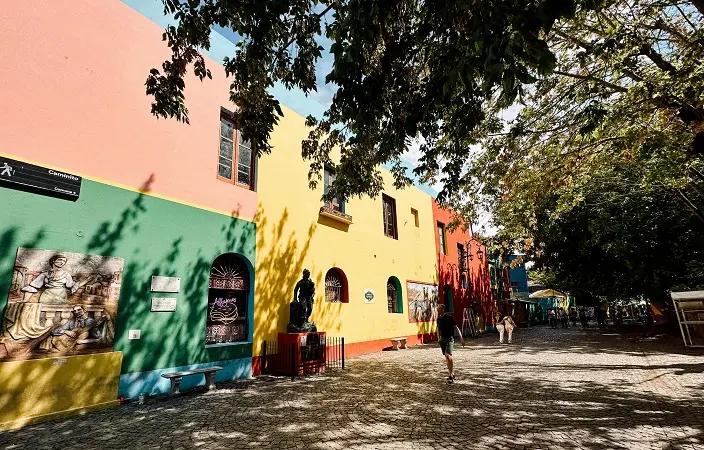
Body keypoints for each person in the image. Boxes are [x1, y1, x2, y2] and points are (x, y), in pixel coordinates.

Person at [436, 304, 464, 383]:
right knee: (446, 357)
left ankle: (451, 374)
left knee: (448, 356)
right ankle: (452, 372)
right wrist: (438, 338)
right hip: (442, 339)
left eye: (439, 309)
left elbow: (456, 327)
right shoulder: (438, 319)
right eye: (437, 309)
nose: (437, 310)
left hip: (449, 339)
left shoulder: (449, 318)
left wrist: (461, 338)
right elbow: (438, 329)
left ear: (443, 309)